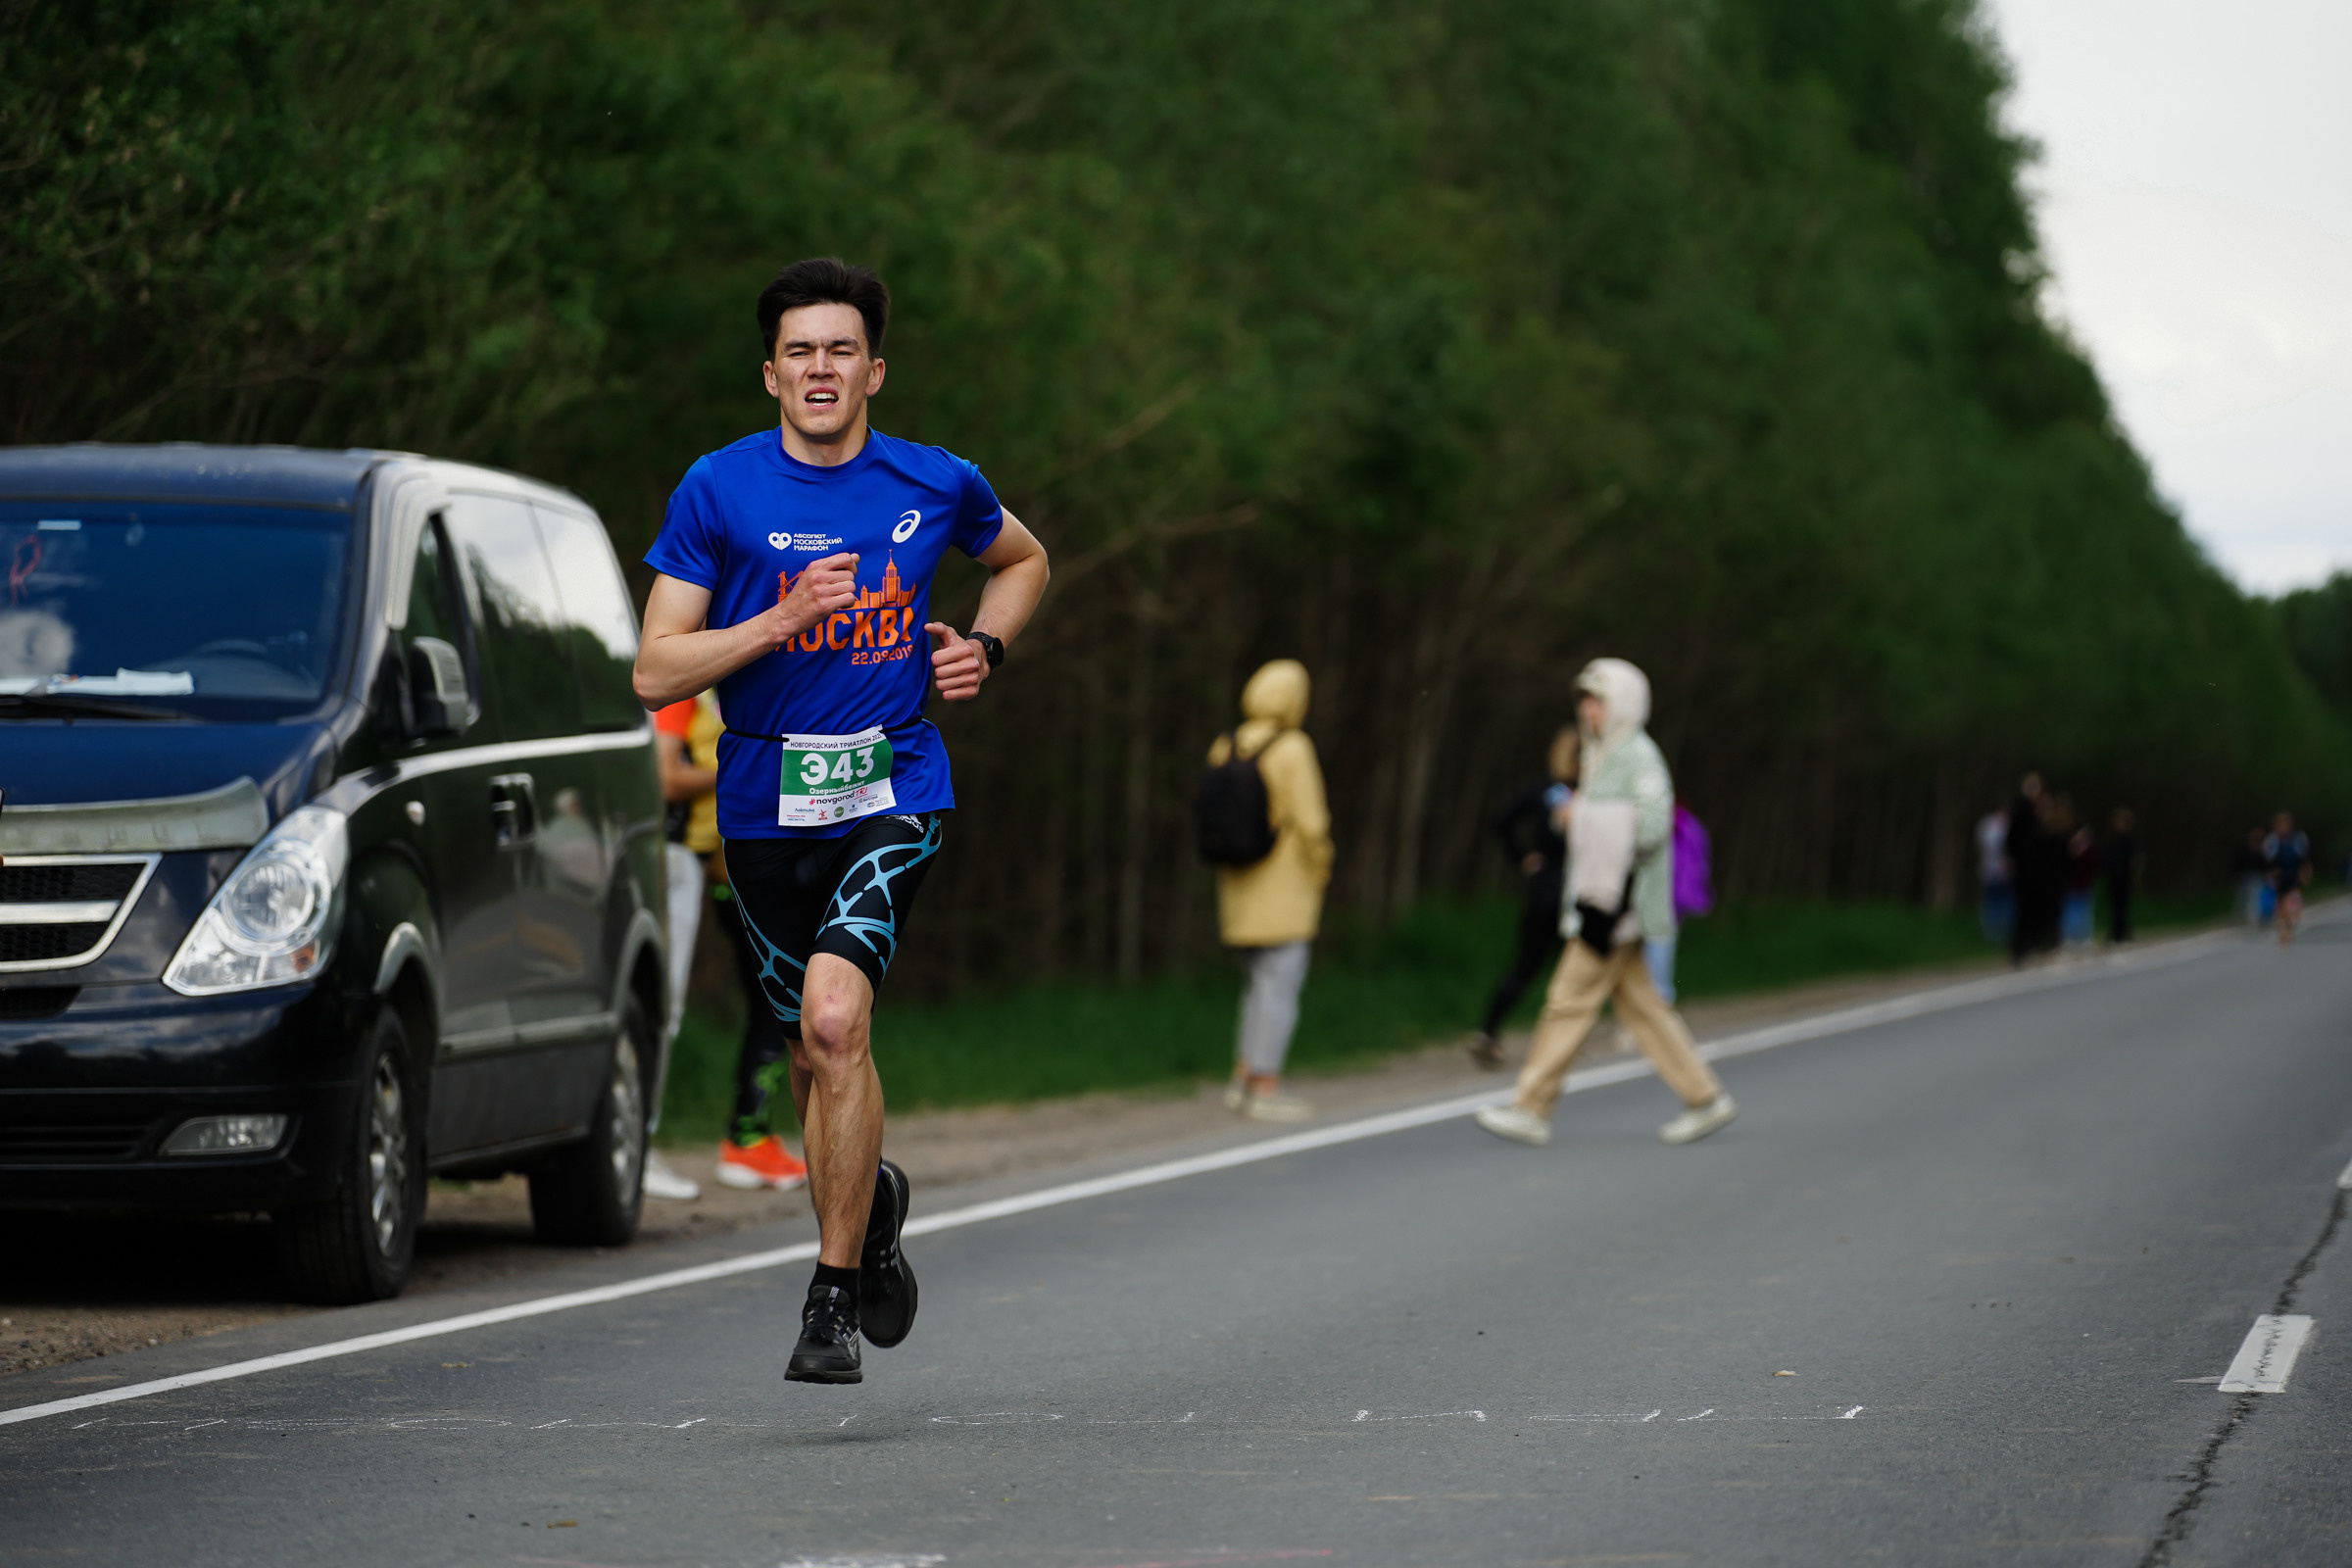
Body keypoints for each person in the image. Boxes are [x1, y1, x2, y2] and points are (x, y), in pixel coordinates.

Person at [633, 257, 1050, 1386]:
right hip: (764, 799)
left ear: (875, 368)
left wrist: (985, 647)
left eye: (842, 350)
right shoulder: (717, 490)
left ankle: (829, 1301)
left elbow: (1023, 556)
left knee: (832, 1020)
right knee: (819, 1066)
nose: (822, 368)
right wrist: (770, 626)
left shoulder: (935, 479)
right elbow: (653, 666)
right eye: (800, 351)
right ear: (771, 373)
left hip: (894, 786)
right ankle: (873, 1210)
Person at [1475, 659, 1737, 1150]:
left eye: (1598, 699)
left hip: (1616, 908)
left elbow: (1655, 826)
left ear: (1624, 703)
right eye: (1584, 700)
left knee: (1567, 1003)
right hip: (1608, 902)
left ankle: (1531, 1107)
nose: (1588, 710)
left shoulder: (1638, 755)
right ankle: (1705, 1098)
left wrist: (1584, 816)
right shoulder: (1604, 752)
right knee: (1645, 1009)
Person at [655, 690, 808, 1192]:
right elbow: (666, 778)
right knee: (662, 1007)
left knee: (774, 1002)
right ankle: (643, 1148)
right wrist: (747, 772)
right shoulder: (681, 685)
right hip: (662, 857)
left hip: (708, 863)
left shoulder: (731, 691)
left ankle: (748, 1138)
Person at [1210, 660, 1333, 1121]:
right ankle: (1266, 1085)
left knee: (1256, 986)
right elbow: (1312, 823)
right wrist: (1321, 868)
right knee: (1280, 988)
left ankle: (1243, 1078)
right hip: (1284, 888)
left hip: (1237, 888)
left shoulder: (1226, 744)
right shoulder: (1293, 747)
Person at [1467, 726, 1576, 1069]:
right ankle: (1559, 1043)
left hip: (1542, 891)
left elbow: (1502, 822)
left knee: (1525, 966)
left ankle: (1488, 1031)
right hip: (1572, 892)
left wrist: (1523, 859)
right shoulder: (1587, 794)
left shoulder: (1541, 790)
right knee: (1573, 972)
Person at [2004, 773, 2060, 963]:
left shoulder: (2035, 815)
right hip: (2026, 869)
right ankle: (2022, 948)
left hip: (2035, 869)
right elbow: (2013, 840)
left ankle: (2031, 944)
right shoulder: (2022, 810)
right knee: (2025, 910)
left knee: (2033, 909)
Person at [2265, 810, 2312, 948]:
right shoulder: (2273, 840)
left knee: (2293, 897)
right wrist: (2270, 873)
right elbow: (2268, 859)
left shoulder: (2298, 838)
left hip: (2294, 873)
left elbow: (2305, 857)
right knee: (2281, 900)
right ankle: (2285, 927)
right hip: (2279, 875)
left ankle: (2290, 920)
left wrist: (2306, 872)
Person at [1976, 806, 2013, 945]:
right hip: (2002, 871)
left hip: (1989, 870)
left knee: (1992, 904)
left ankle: (1992, 934)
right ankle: (2004, 933)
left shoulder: (1986, 824)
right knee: (2005, 902)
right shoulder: (2006, 826)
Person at [2103, 807, 2139, 945]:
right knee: (2114, 906)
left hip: (2125, 876)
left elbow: (2133, 859)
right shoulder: (2111, 838)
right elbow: (2107, 857)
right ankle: (2115, 932)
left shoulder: (2130, 839)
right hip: (2113, 876)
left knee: (2124, 905)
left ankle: (2124, 932)